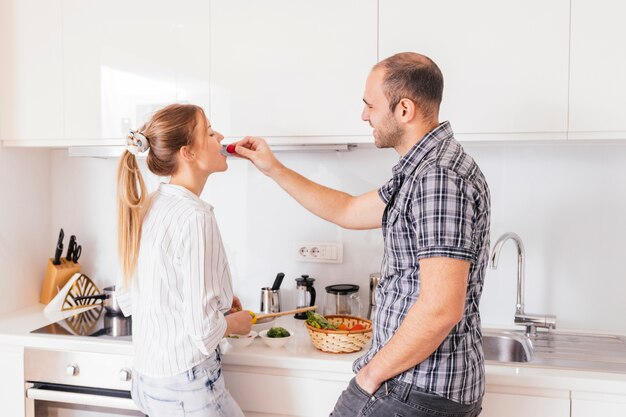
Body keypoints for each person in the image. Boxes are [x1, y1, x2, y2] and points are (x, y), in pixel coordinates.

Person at [232, 52, 490, 417]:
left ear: (404, 109)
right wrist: (274, 168)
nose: (364, 115)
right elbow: (348, 209)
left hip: (414, 388)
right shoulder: (421, 171)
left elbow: (440, 309)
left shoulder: (439, 178)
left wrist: (369, 376)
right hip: (417, 386)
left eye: (370, 105)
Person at [116, 103, 252, 417]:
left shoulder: (151, 204)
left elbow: (132, 298)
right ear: (188, 152)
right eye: (209, 131)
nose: (220, 136)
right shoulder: (194, 216)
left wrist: (217, 304)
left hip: (148, 382)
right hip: (186, 388)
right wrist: (234, 323)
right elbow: (204, 333)